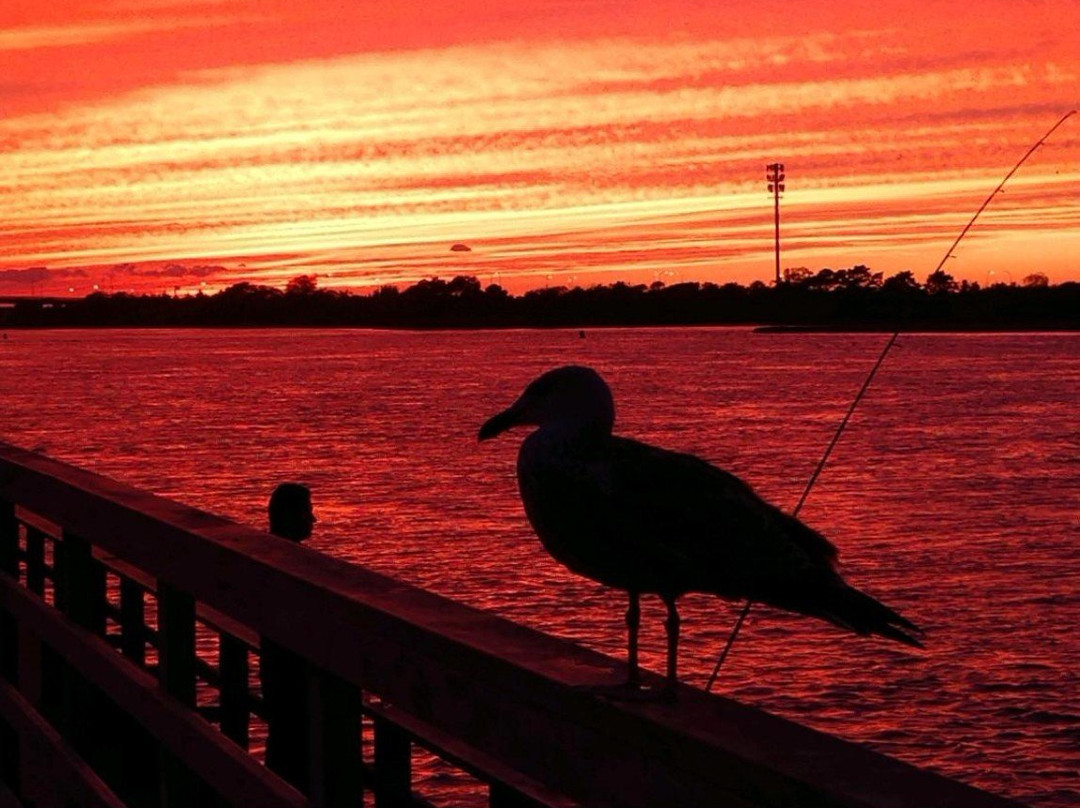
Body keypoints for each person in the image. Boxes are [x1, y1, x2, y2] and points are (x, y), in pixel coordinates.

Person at [262, 482, 315, 790]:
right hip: (294, 676)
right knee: (295, 749)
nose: (313, 519)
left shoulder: (267, 555)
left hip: (277, 671)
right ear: (290, 516)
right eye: (307, 512)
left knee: (282, 743)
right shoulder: (296, 565)